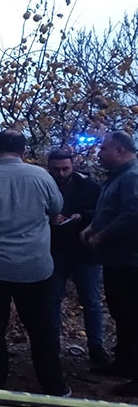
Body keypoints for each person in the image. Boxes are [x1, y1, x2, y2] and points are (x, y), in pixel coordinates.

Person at [0, 130, 69, 396]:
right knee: (41, 327)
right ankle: (54, 385)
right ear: (23, 151)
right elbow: (56, 209)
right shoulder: (41, 176)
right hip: (35, 267)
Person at [80, 131, 138, 397]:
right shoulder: (117, 177)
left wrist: (101, 235)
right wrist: (92, 226)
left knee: (132, 316)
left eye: (103, 149)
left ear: (120, 151)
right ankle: (124, 363)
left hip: (130, 262)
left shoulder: (132, 177)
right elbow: (111, 209)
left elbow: (133, 215)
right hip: (116, 261)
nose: (99, 154)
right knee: (122, 315)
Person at [46, 149, 109, 366]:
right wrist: (49, 219)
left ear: (73, 167)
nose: (61, 174)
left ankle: (96, 347)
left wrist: (83, 217)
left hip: (84, 252)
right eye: (56, 169)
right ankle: (51, 346)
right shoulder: (43, 184)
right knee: (52, 300)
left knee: (91, 301)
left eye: (65, 169)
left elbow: (103, 211)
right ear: (49, 167)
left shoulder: (88, 186)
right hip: (54, 251)